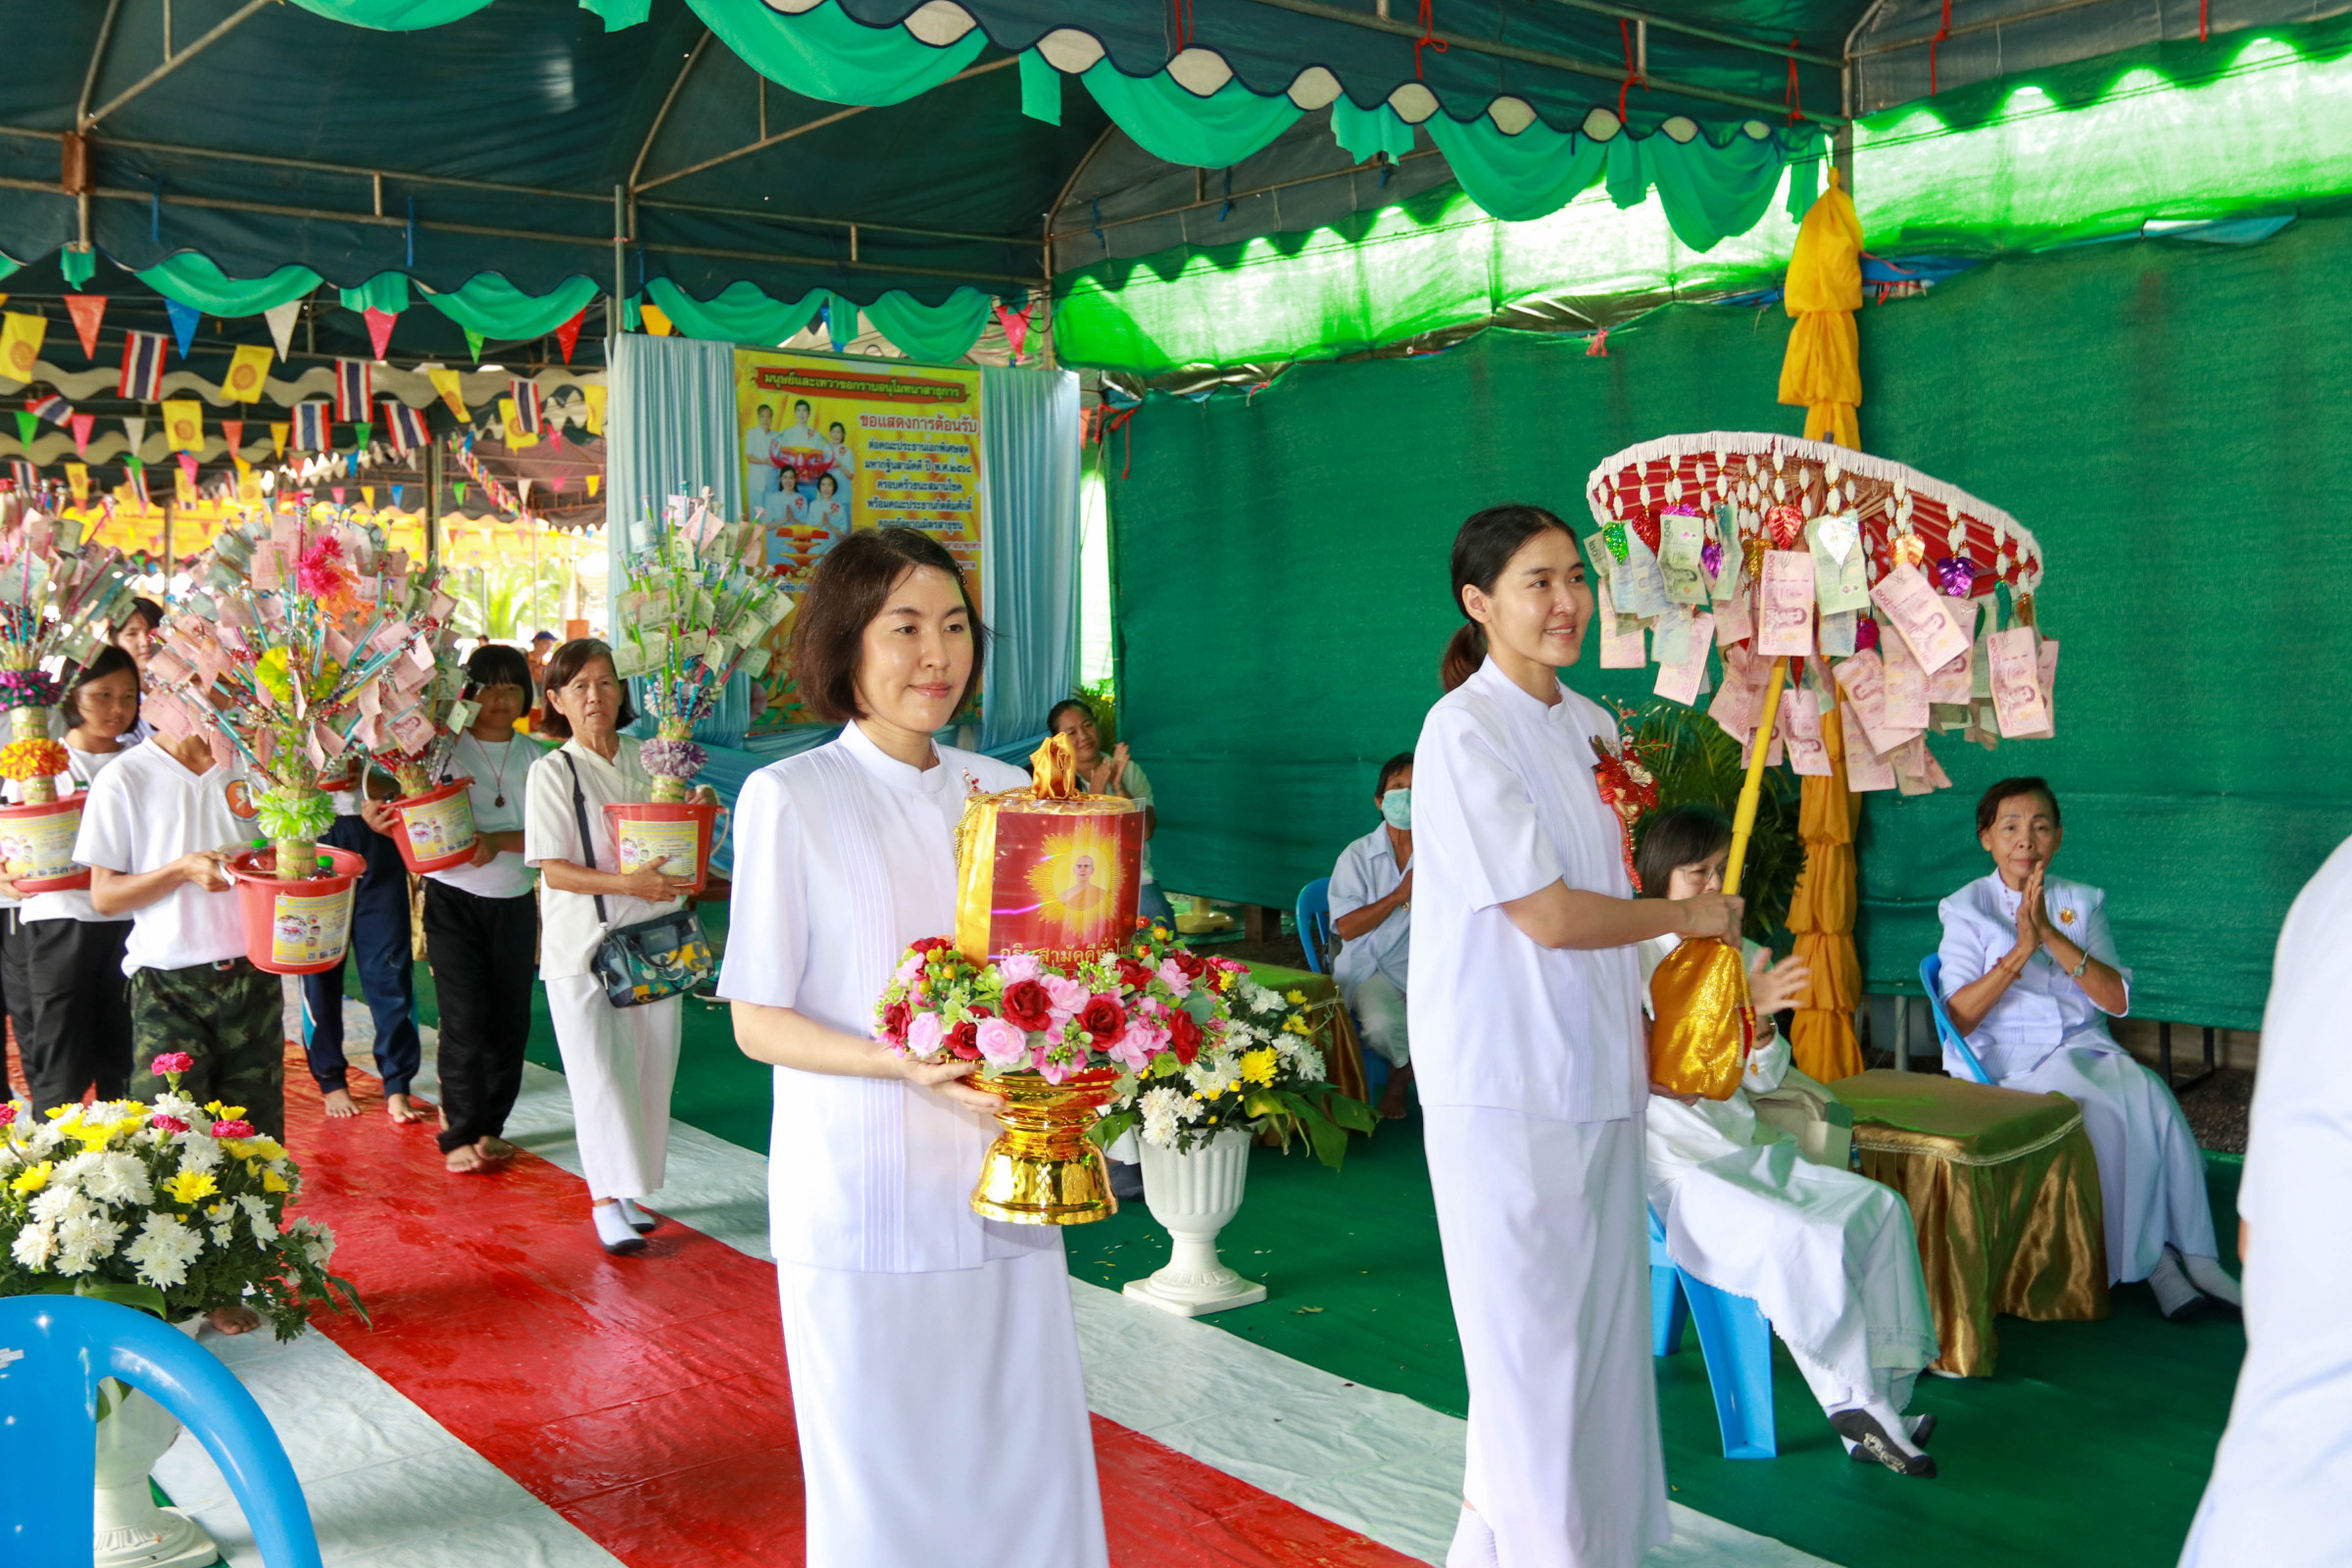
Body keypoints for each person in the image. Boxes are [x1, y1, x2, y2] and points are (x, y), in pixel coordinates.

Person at [720, 527, 1108, 1568]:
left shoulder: (1006, 792)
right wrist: (899, 1062)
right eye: (905, 628)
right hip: (863, 1193)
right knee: (883, 1484)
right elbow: (758, 1018)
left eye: (952, 627)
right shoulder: (790, 796)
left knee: (1024, 1466)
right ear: (847, 642)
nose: (935, 654)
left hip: (1005, 1185)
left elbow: (1063, 970)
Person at [1409, 503, 1738, 1568]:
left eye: (1573, 580)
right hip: (1503, 1079)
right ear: (1480, 603)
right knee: (1531, 1353)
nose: (1565, 603)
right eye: (1537, 583)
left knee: (1598, 1349)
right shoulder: (1462, 730)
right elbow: (1547, 915)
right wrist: (1685, 917)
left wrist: (1678, 1000)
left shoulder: (1594, 723)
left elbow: (1609, 892)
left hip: (1600, 1065)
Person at [1637, 804, 1941, 1477]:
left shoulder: (1741, 953)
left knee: (1880, 1210)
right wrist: (1737, 1007)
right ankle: (1854, 1406)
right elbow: (1665, 1075)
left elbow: (1763, 1077)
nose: (1714, 887)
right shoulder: (1631, 957)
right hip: (1679, 1170)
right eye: (1697, 874)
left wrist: (1765, 1025)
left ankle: (1887, 1398)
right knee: (1804, 1238)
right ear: (1657, 878)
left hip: (1749, 1149)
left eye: (1722, 871)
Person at [1936, 778, 2238, 1320]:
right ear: (1986, 838)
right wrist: (2018, 954)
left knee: (2150, 1097)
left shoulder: (2082, 900)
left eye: (2040, 826)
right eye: (2010, 827)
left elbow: (2116, 999)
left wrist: (2050, 935)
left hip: (2082, 1046)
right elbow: (1955, 1015)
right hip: (2008, 1060)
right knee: (2097, 1112)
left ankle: (2200, 1256)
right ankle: (2154, 1264)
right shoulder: (1965, 908)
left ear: (2057, 837)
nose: (2025, 839)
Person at [2177, 835, 2352, 1568]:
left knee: (2146, 1112)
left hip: (2276, 1494)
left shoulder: (2330, 886)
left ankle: (2177, 1259)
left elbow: (2111, 996)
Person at [74, 692, 272, 1334]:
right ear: (165, 700)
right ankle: (164, 1287)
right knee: (170, 1136)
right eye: (198, 696)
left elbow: (285, 858)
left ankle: (230, 1277)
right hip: (166, 983)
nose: (217, 712)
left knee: (252, 1139)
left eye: (226, 695)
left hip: (251, 976)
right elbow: (104, 894)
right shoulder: (126, 776)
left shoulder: (256, 767)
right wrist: (184, 870)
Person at [523, 638, 700, 1254]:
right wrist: (629, 883)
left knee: (651, 1068)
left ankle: (631, 1188)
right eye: (579, 687)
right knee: (598, 1073)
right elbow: (554, 870)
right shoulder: (553, 771)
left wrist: (694, 813)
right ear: (556, 701)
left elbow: (673, 843)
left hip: (653, 940)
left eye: (604, 682)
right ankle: (603, 1198)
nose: (594, 696)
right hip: (585, 949)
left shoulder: (651, 762)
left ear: (621, 690)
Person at [365, 645, 541, 1174]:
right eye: (488, 687)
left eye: (512, 687)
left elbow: (555, 836)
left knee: (510, 1023)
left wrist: (500, 840)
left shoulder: (540, 758)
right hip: (451, 899)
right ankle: (459, 1132)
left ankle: (491, 1128)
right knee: (465, 1019)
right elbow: (386, 790)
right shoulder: (439, 752)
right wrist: (378, 814)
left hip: (514, 902)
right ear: (467, 692)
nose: (500, 698)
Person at [0, 648, 142, 1116]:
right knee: (60, 1065)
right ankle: (52, 1176)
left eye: (127, 696)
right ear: (71, 698)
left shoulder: (143, 765)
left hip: (131, 923)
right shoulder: (40, 766)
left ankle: (124, 1171)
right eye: (101, 695)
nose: (116, 709)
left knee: (123, 1059)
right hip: (59, 925)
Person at [299, 754, 426, 1126]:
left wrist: (379, 788)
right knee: (319, 966)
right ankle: (330, 1077)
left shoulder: (378, 700)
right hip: (313, 835)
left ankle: (397, 1081)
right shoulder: (285, 707)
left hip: (376, 835)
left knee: (389, 966)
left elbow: (407, 771)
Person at [1330, 751, 1415, 1118]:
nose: (1408, 796)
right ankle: (1401, 1080)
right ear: (1380, 801)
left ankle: (1406, 1085)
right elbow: (1347, 927)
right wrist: (1399, 896)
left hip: (1426, 964)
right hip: (1372, 965)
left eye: (1417, 787)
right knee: (1383, 1027)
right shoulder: (1357, 855)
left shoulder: (1444, 852)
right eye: (1398, 788)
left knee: (1470, 1011)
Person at [1047, 697, 1171, 925]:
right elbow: (1066, 845)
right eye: (1071, 732)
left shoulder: (1129, 770)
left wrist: (1118, 786)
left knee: (1157, 922)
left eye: (1088, 725)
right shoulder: (1051, 782)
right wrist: (1096, 797)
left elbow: (1144, 832)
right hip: (1071, 880)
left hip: (1132, 879)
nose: (1083, 736)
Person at [110, 595, 165, 744]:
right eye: (132, 634)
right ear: (114, 641)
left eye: (152, 633)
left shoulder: (183, 688)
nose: (144, 642)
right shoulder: (109, 695)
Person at [746, 403, 782, 522]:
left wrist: (776, 463)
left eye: (768, 417)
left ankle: (769, 541)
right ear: (758, 417)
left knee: (771, 516)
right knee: (755, 517)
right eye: (763, 416)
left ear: (771, 418)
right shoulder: (752, 434)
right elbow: (749, 457)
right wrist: (765, 461)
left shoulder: (777, 436)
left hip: (772, 481)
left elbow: (779, 458)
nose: (765, 420)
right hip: (756, 481)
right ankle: (753, 541)